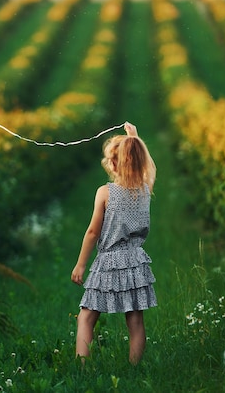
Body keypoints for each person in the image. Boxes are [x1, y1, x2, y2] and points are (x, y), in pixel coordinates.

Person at [71, 121, 157, 365]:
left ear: (116, 163)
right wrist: (135, 138)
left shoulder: (105, 192)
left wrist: (80, 265)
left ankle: (82, 368)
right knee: (135, 319)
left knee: (86, 317)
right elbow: (151, 168)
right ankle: (135, 368)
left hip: (109, 261)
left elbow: (92, 232)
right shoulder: (145, 187)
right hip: (136, 259)